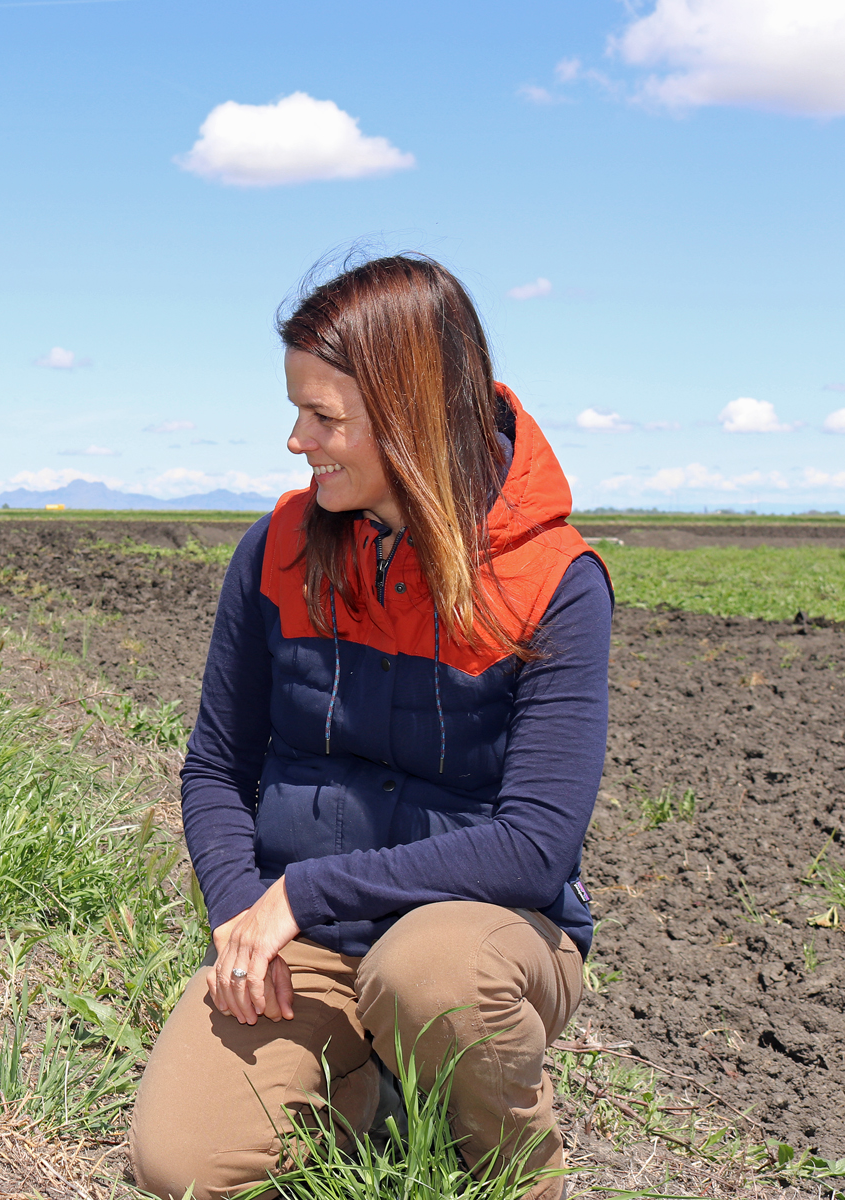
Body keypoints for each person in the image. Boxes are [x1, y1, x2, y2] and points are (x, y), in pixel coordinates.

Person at [129, 255, 610, 1200]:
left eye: (324, 417)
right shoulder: (274, 552)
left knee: (428, 974)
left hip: (481, 935)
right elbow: (217, 770)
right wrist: (242, 917)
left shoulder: (555, 581)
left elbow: (536, 846)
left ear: (410, 412)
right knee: (178, 1166)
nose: (297, 439)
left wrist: (302, 891)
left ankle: (516, 1176)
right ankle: (374, 1094)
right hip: (311, 941)